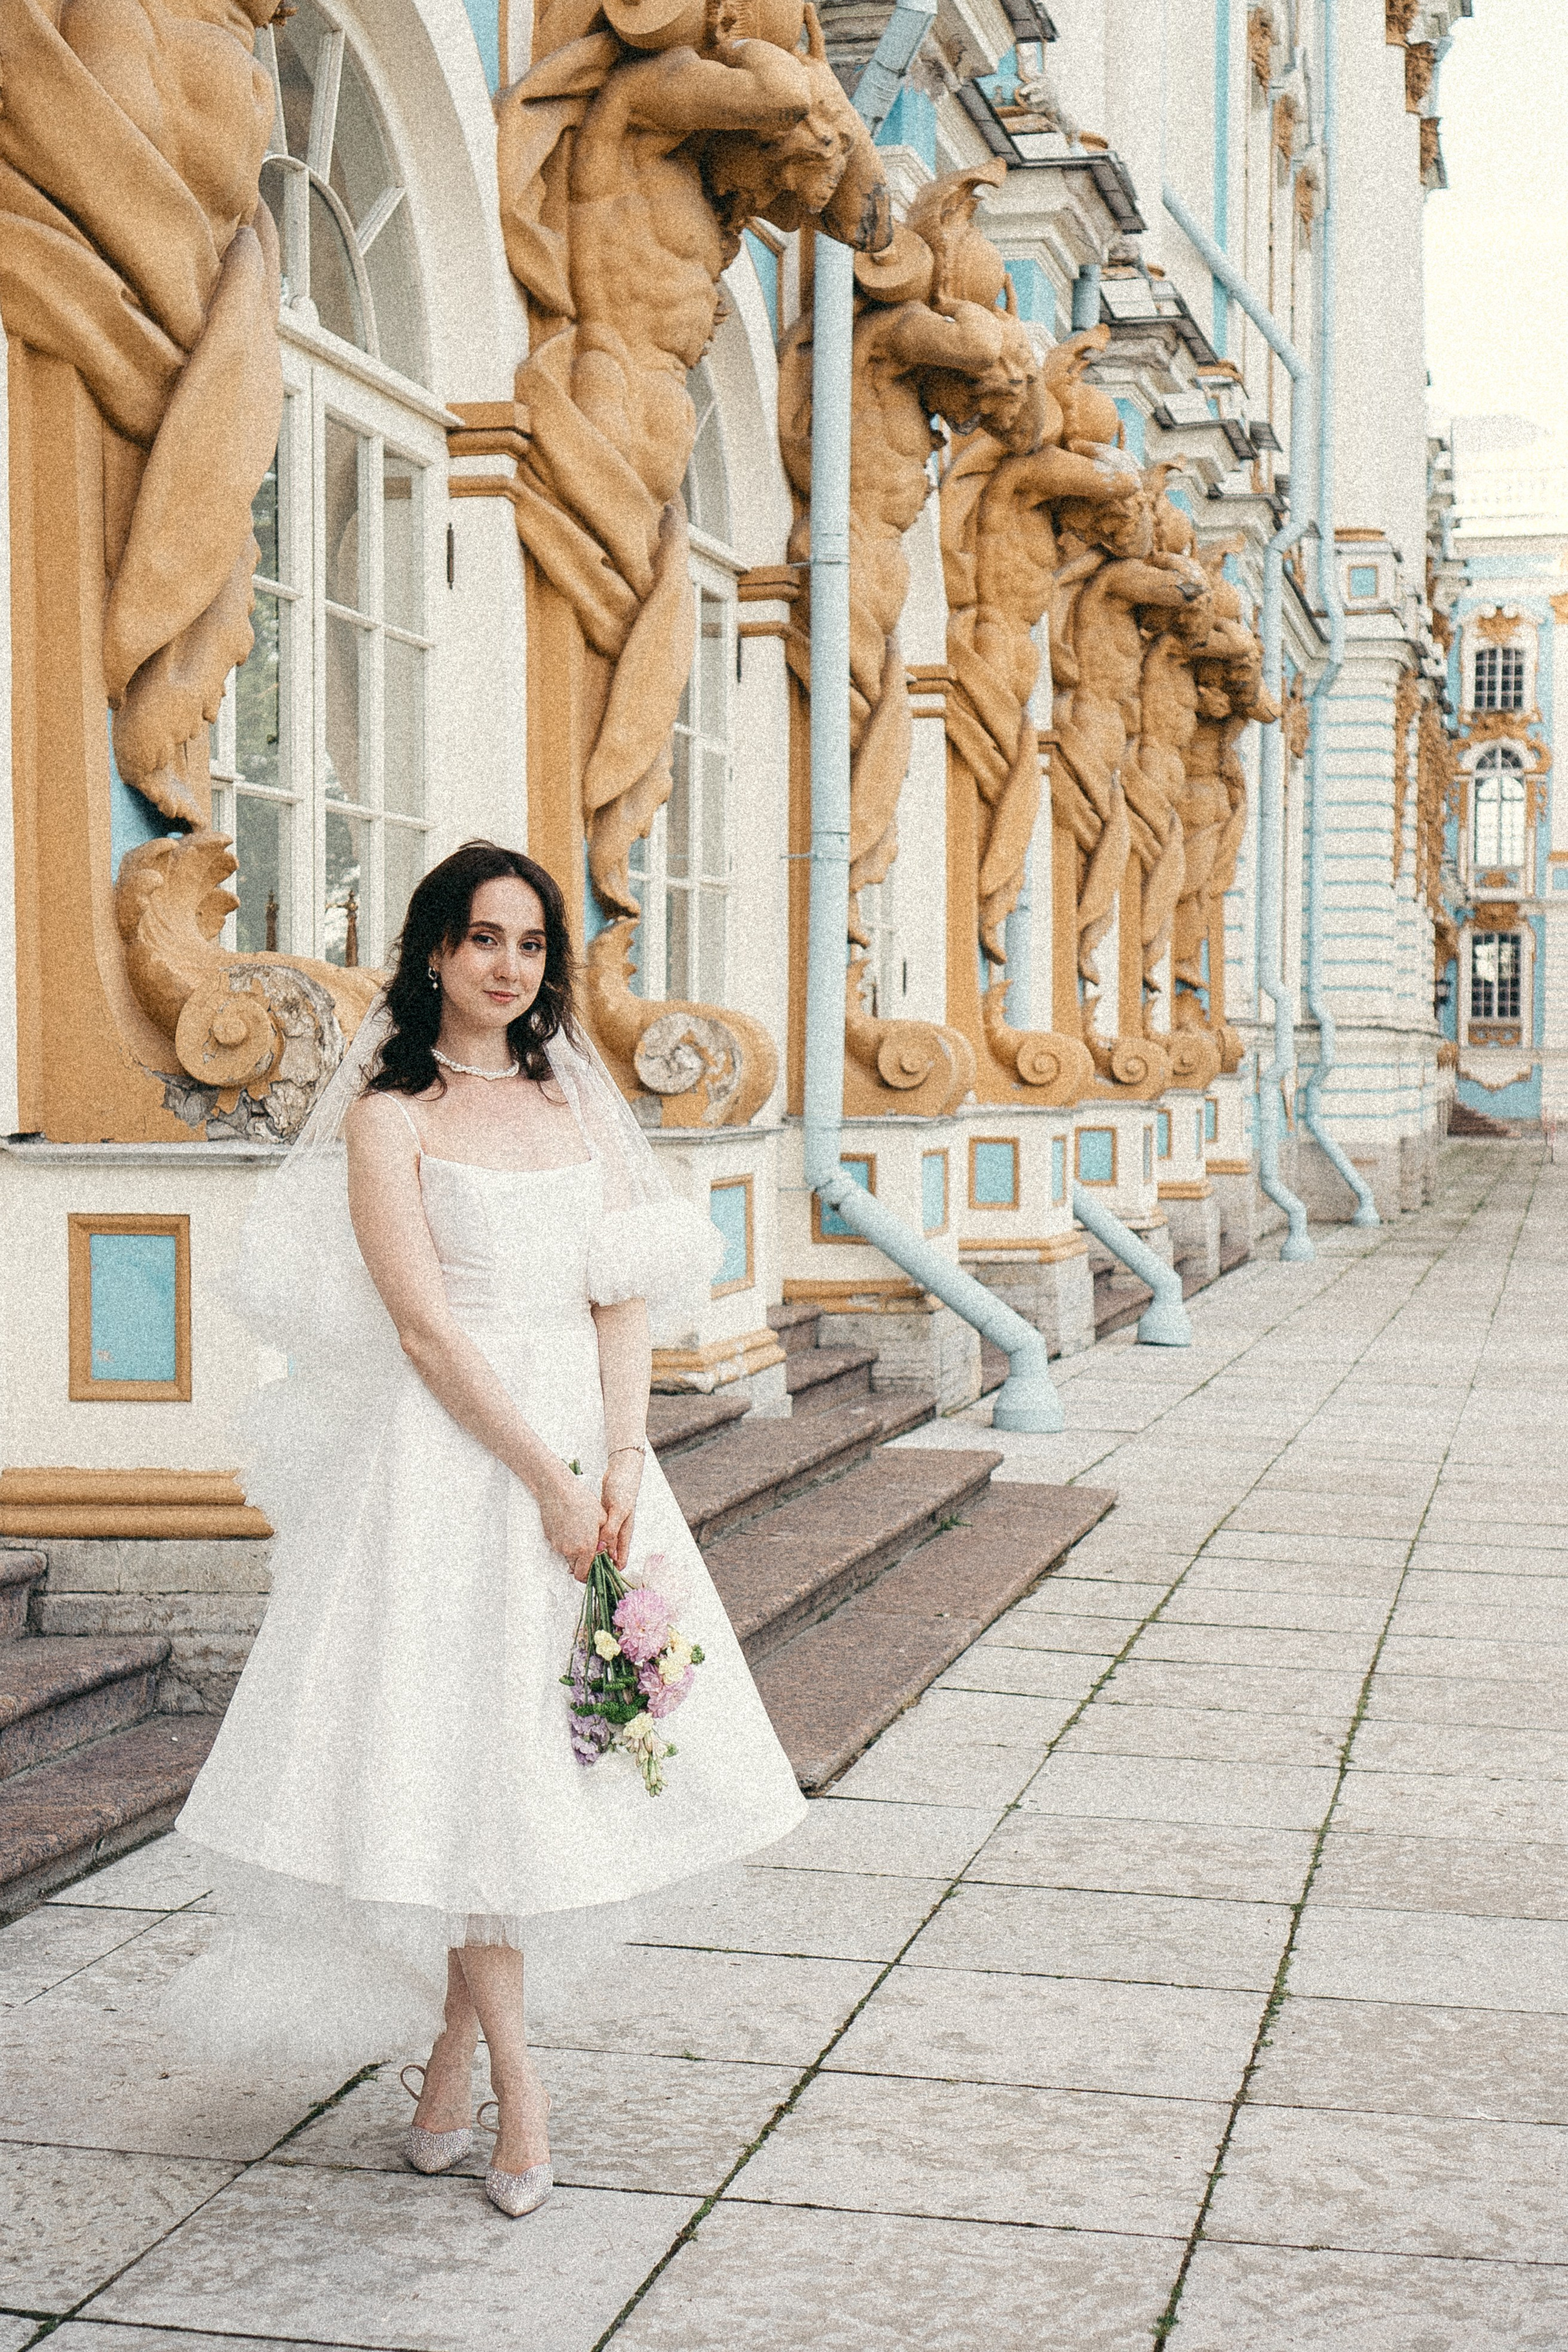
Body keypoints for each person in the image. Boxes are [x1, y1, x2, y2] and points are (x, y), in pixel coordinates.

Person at [173, 840, 807, 2218]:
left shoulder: (574, 1102)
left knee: (528, 1779)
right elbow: (423, 1331)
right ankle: (523, 2094)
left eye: (527, 943)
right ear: (433, 954)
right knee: (457, 1776)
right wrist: (545, 1480)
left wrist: (623, 1461)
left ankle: (448, 2065)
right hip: (452, 1468)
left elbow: (620, 1294)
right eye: (478, 940)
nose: (504, 965)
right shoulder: (388, 1119)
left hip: (588, 1454)